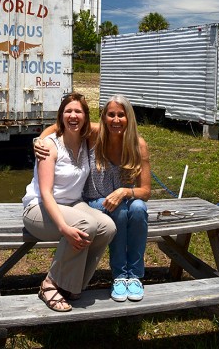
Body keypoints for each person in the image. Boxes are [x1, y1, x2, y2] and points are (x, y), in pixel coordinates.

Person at [34, 94, 151, 302]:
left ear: (129, 118)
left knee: (139, 208)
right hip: (95, 200)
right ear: (104, 117)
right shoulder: (96, 134)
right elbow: (59, 125)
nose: (116, 120)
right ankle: (119, 275)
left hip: (123, 198)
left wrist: (125, 191)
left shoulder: (137, 145)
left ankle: (134, 275)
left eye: (121, 115)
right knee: (121, 211)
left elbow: (146, 191)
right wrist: (40, 140)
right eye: (111, 115)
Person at [22, 92, 116, 312]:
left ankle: (73, 284)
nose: (73, 116)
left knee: (108, 227)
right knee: (86, 225)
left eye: (78, 112)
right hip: (39, 208)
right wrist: (64, 227)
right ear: (60, 116)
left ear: (85, 116)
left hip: (72, 203)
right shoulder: (49, 146)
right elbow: (46, 194)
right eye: (68, 111)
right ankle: (50, 283)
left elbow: (118, 128)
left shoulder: (85, 141)